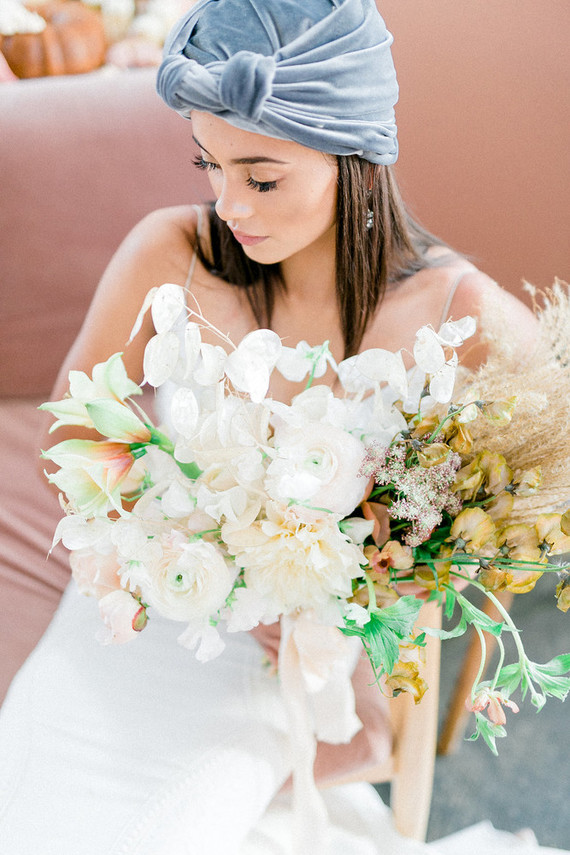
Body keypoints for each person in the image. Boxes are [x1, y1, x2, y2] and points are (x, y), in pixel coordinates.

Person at [0, 1, 560, 853]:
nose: (228, 205)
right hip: (138, 617)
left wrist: (377, 583)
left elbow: (527, 507)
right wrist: (179, 542)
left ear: (356, 158)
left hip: (279, 664)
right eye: (209, 164)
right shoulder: (168, 252)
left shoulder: (464, 315)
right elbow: (69, 442)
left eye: (260, 178)